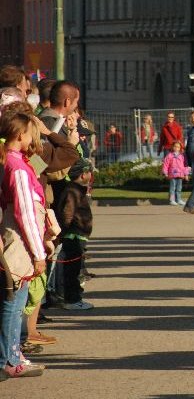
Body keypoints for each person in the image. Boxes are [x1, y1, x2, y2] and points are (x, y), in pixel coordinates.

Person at [1, 106, 48, 378]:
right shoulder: (16, 166)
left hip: (17, 235)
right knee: (14, 300)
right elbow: (25, 213)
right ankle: (8, 357)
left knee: (14, 299)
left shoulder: (12, 159)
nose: (32, 139)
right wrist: (39, 253)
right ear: (19, 134)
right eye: (30, 135)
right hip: (19, 239)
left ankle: (12, 353)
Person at [53, 158, 93, 311]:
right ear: (83, 175)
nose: (91, 175)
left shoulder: (76, 189)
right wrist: (66, 230)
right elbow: (67, 213)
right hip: (74, 235)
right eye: (89, 172)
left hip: (78, 234)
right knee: (72, 270)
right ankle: (72, 299)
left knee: (75, 269)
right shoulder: (73, 191)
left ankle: (74, 297)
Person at [162, 141, 189, 206]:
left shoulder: (182, 156)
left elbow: (185, 166)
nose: (176, 148)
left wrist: (186, 174)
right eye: (175, 146)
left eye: (178, 147)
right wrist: (165, 173)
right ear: (172, 147)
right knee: (172, 188)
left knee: (179, 188)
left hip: (180, 175)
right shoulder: (169, 156)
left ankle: (179, 199)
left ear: (180, 148)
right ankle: (172, 200)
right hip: (172, 175)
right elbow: (165, 165)